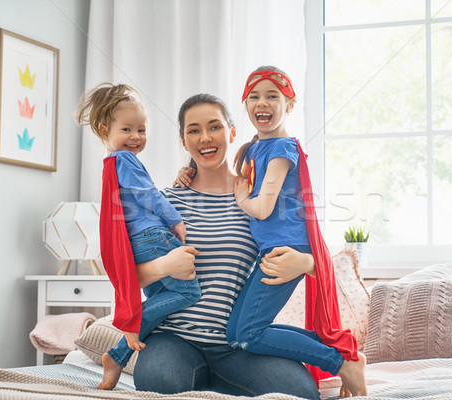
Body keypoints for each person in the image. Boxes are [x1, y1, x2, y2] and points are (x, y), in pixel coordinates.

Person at [131, 93, 322, 399]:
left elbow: (310, 249)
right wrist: (166, 266)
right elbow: (128, 273)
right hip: (173, 338)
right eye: (193, 130)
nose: (205, 137)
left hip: (237, 343)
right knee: (159, 383)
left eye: (214, 127)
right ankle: (203, 382)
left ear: (232, 132)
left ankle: (216, 383)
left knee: (301, 392)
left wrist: (306, 263)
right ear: (183, 141)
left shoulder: (256, 198)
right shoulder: (167, 201)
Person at [226, 66, 367, 397]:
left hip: (285, 249)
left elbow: (261, 207)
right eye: (255, 96)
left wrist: (243, 198)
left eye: (273, 96)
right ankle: (345, 354)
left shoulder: (281, 149)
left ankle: (340, 363)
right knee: (235, 335)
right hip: (269, 248)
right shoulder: (252, 149)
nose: (263, 103)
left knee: (249, 334)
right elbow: (227, 181)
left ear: (289, 104)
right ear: (245, 104)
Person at [74, 83, 201, 390]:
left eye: (141, 130)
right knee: (189, 293)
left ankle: (117, 356)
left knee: (161, 298)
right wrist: (176, 219)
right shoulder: (124, 160)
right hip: (153, 236)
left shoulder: (111, 163)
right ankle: (123, 340)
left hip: (139, 242)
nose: (135, 137)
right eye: (127, 129)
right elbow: (148, 194)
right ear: (105, 130)